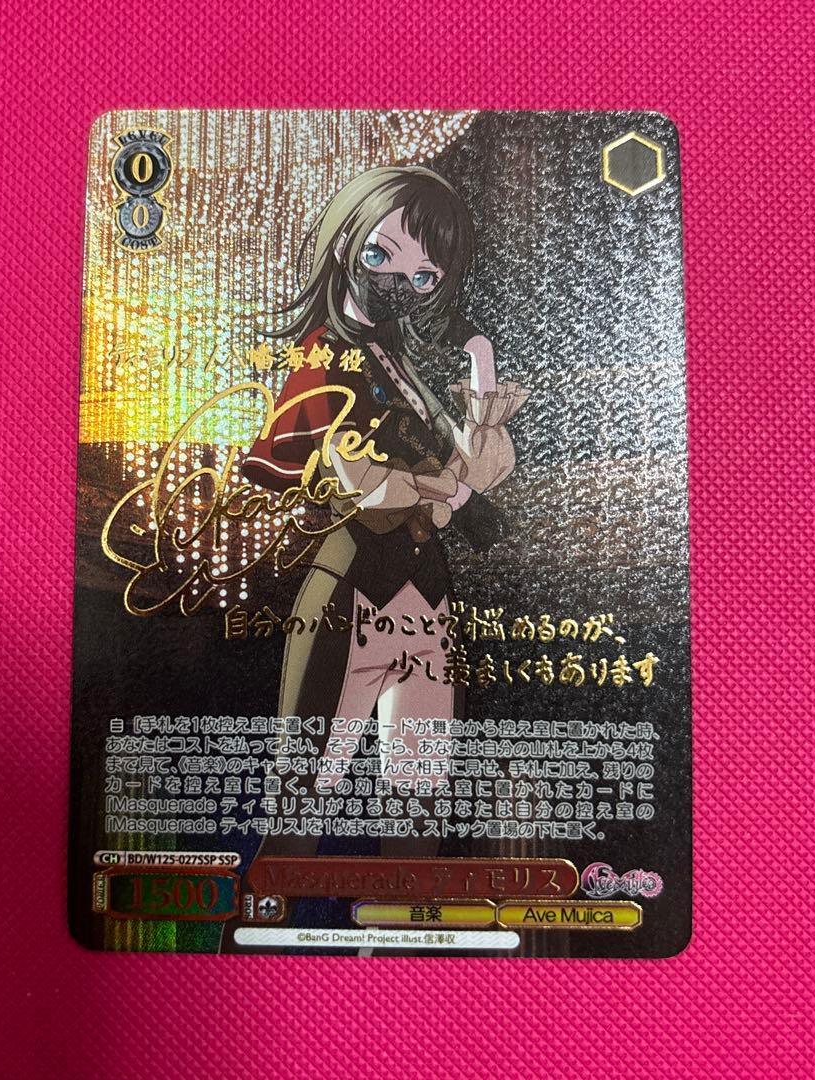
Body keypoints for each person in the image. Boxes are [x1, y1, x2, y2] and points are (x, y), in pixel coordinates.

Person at [241, 165, 529, 861]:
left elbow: (480, 466)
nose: (400, 283)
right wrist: (448, 493)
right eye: (381, 255)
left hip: (427, 600)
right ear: (345, 242)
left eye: (424, 276)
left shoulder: (399, 362)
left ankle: (408, 934)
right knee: (300, 806)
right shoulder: (320, 358)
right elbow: (362, 482)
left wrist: (480, 359)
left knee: (418, 814)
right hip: (352, 592)